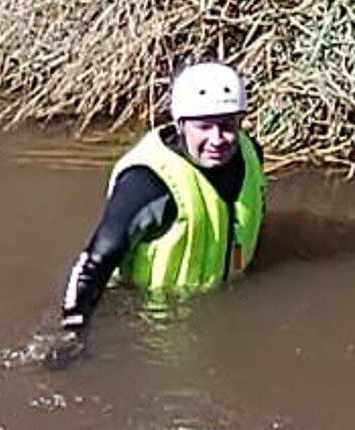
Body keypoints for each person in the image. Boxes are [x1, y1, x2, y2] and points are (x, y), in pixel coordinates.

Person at [32, 61, 266, 367]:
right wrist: (72, 331)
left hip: (217, 306)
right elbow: (95, 260)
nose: (218, 139)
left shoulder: (250, 154)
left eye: (227, 125)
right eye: (204, 126)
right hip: (146, 313)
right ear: (181, 124)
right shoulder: (149, 183)